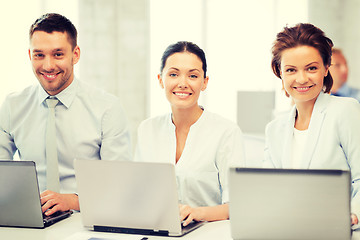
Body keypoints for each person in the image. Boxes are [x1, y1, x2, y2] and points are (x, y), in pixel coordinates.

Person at [0, 13, 132, 216]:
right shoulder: (12, 106)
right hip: (30, 222)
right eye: (39, 55)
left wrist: (73, 200)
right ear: (30, 55)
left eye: (58, 54)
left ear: (75, 54)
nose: (48, 65)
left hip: (88, 220)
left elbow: (120, 186)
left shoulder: (107, 108)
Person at [135, 41, 245, 226]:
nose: (183, 83)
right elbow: (139, 193)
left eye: (193, 75)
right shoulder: (147, 129)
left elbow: (236, 205)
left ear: (204, 82)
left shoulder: (226, 132)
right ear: (161, 80)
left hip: (209, 232)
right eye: (173, 74)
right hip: (157, 230)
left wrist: (196, 213)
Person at [264, 23, 360, 225]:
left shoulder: (345, 110)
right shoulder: (275, 129)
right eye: (291, 70)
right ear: (279, 73)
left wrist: (352, 215)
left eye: (312, 68)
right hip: (289, 228)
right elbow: (269, 189)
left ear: (326, 68)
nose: (302, 79)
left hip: (338, 228)